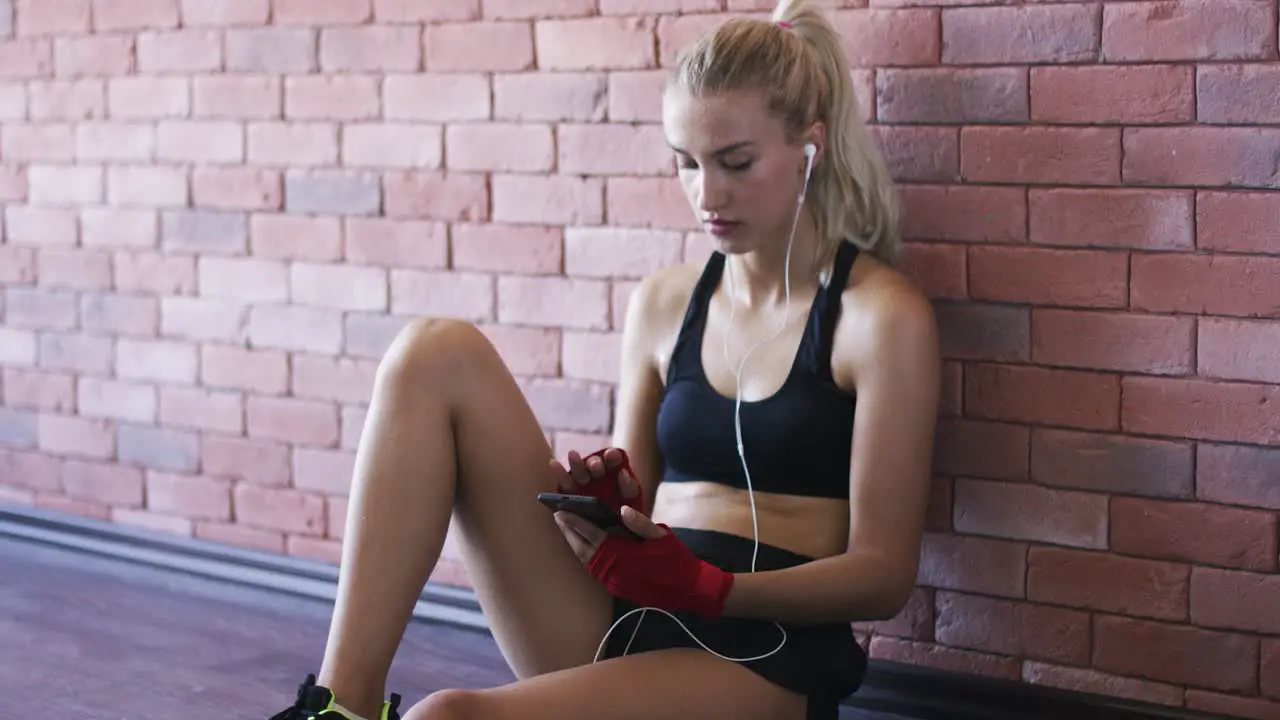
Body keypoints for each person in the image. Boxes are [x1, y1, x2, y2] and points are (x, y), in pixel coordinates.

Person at [268, 0, 940, 718]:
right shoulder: (663, 304)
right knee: (432, 353)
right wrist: (608, 507)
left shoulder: (879, 318)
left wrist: (713, 587)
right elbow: (638, 511)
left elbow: (883, 575)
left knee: (447, 716)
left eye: (735, 162)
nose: (706, 194)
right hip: (635, 616)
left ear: (811, 147)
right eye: (686, 163)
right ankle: (339, 707)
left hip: (761, 658)